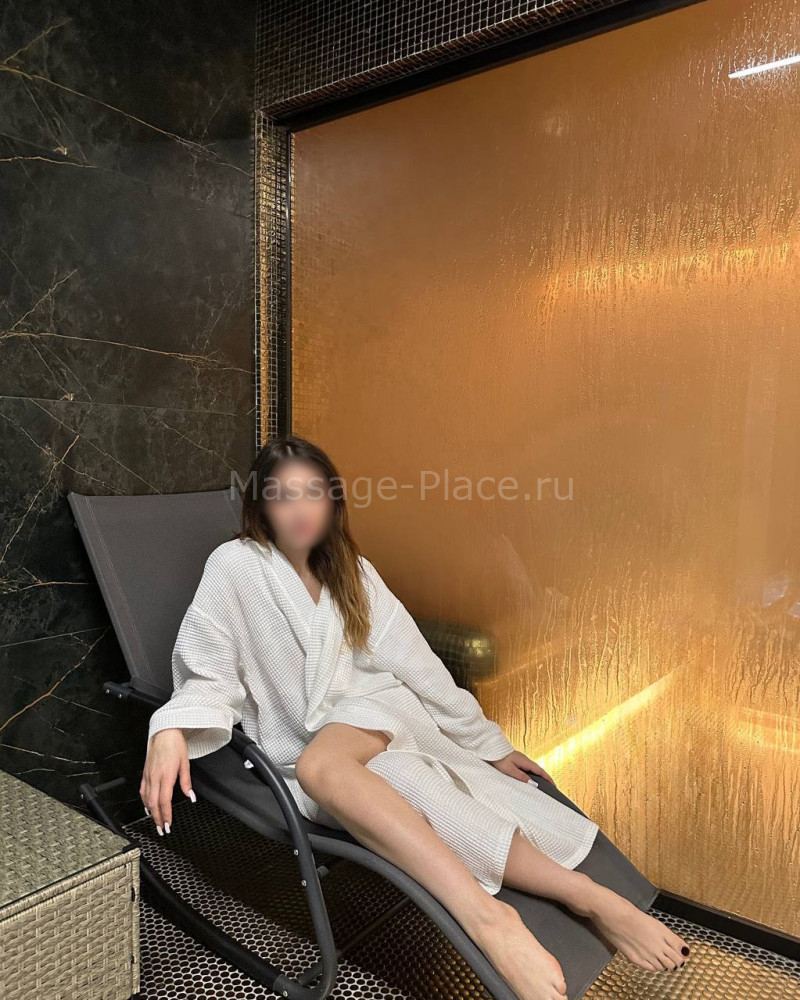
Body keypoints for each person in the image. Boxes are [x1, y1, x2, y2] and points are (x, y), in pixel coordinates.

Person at [142, 435, 690, 1000]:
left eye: (313, 493)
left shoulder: (354, 571)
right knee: (402, 781)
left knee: (320, 768)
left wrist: (487, 743)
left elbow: (418, 664)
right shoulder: (235, 565)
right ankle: (584, 895)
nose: (300, 509)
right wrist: (172, 725)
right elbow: (210, 667)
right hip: (324, 742)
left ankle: (493, 920)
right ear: (260, 506)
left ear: (333, 501)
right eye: (283, 495)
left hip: (378, 712)